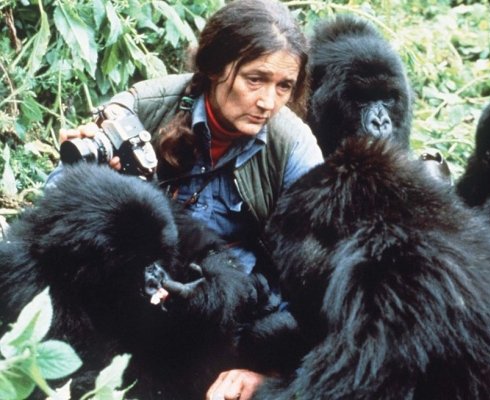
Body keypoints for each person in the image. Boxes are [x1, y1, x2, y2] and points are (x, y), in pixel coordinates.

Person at [56, 0, 322, 398]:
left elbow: (322, 279)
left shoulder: (292, 146)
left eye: (283, 86)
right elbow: (57, 205)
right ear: (216, 68)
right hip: (138, 293)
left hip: (233, 311)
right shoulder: (145, 106)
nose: (268, 102)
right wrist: (93, 178)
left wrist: (273, 376)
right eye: (255, 79)